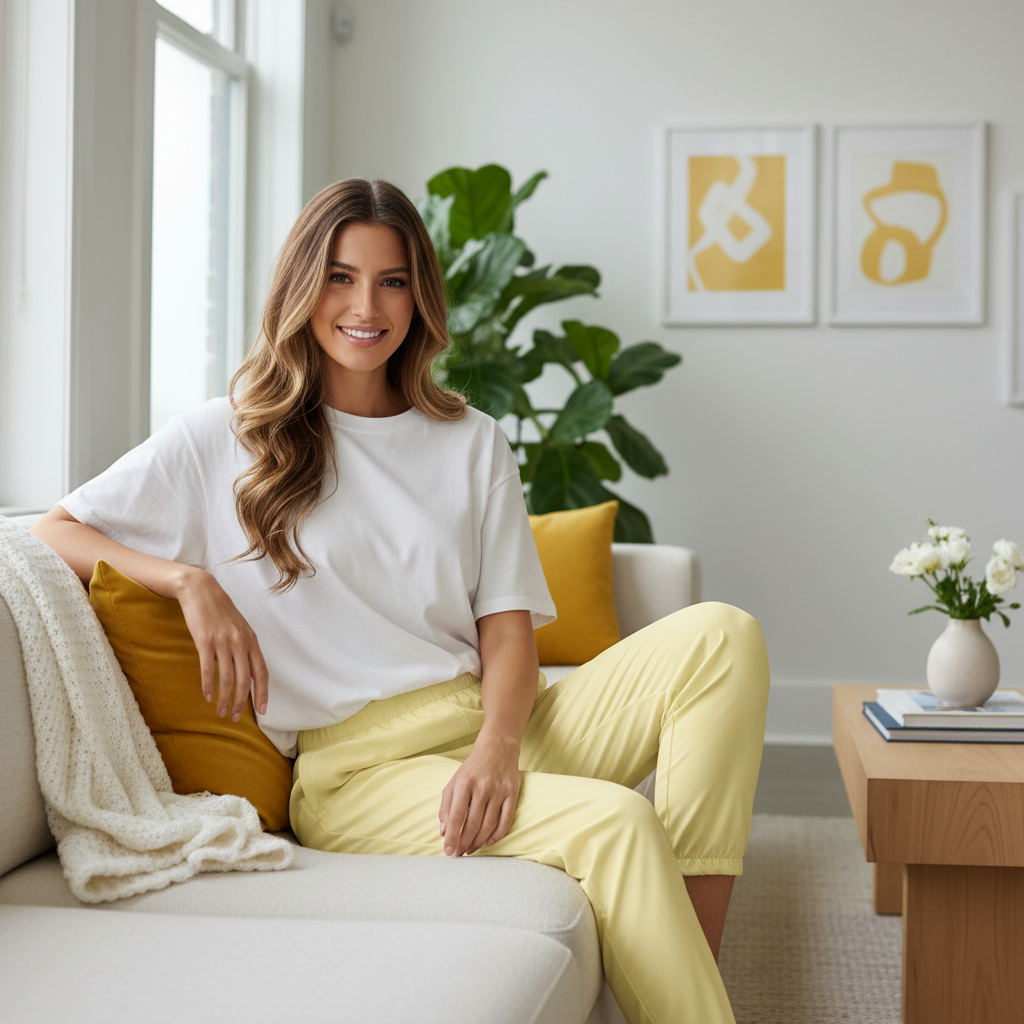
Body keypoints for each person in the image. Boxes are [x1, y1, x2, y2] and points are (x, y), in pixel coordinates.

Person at [32, 178, 769, 1024]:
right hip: (360, 772)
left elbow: (506, 632)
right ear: (302, 287)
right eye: (340, 277)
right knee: (615, 822)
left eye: (391, 280)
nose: (365, 306)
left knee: (723, 635)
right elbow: (54, 532)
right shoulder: (225, 435)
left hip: (492, 724)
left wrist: (496, 745)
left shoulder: (470, 439)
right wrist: (187, 580)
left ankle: (691, 978)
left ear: (419, 294)